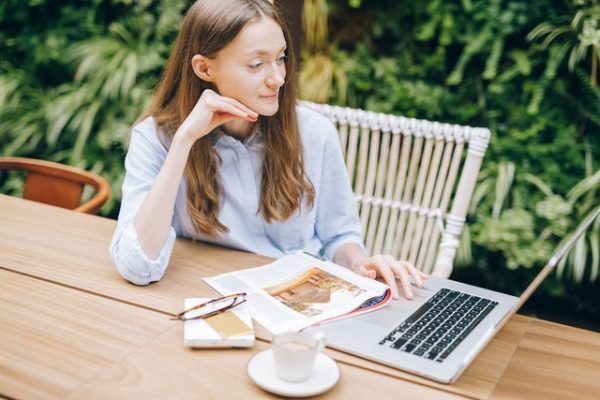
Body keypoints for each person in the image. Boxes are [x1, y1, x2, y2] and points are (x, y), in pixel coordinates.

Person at [109, 0, 427, 299]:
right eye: (257, 64)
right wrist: (184, 140)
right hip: (210, 299)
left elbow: (339, 238)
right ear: (205, 69)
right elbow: (137, 267)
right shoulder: (156, 139)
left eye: (281, 58)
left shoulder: (315, 133)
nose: (277, 78)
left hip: (306, 303)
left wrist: (359, 264)